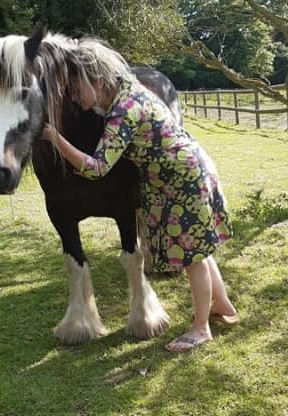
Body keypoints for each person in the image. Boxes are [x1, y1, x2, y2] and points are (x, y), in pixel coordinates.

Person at [41, 39, 237, 352]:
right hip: (189, 169)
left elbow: (97, 168)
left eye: (77, 86)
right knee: (199, 248)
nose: (73, 96)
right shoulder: (130, 90)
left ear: (98, 79)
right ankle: (222, 305)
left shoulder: (123, 111)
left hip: (181, 180)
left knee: (192, 257)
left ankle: (201, 329)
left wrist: (56, 137)